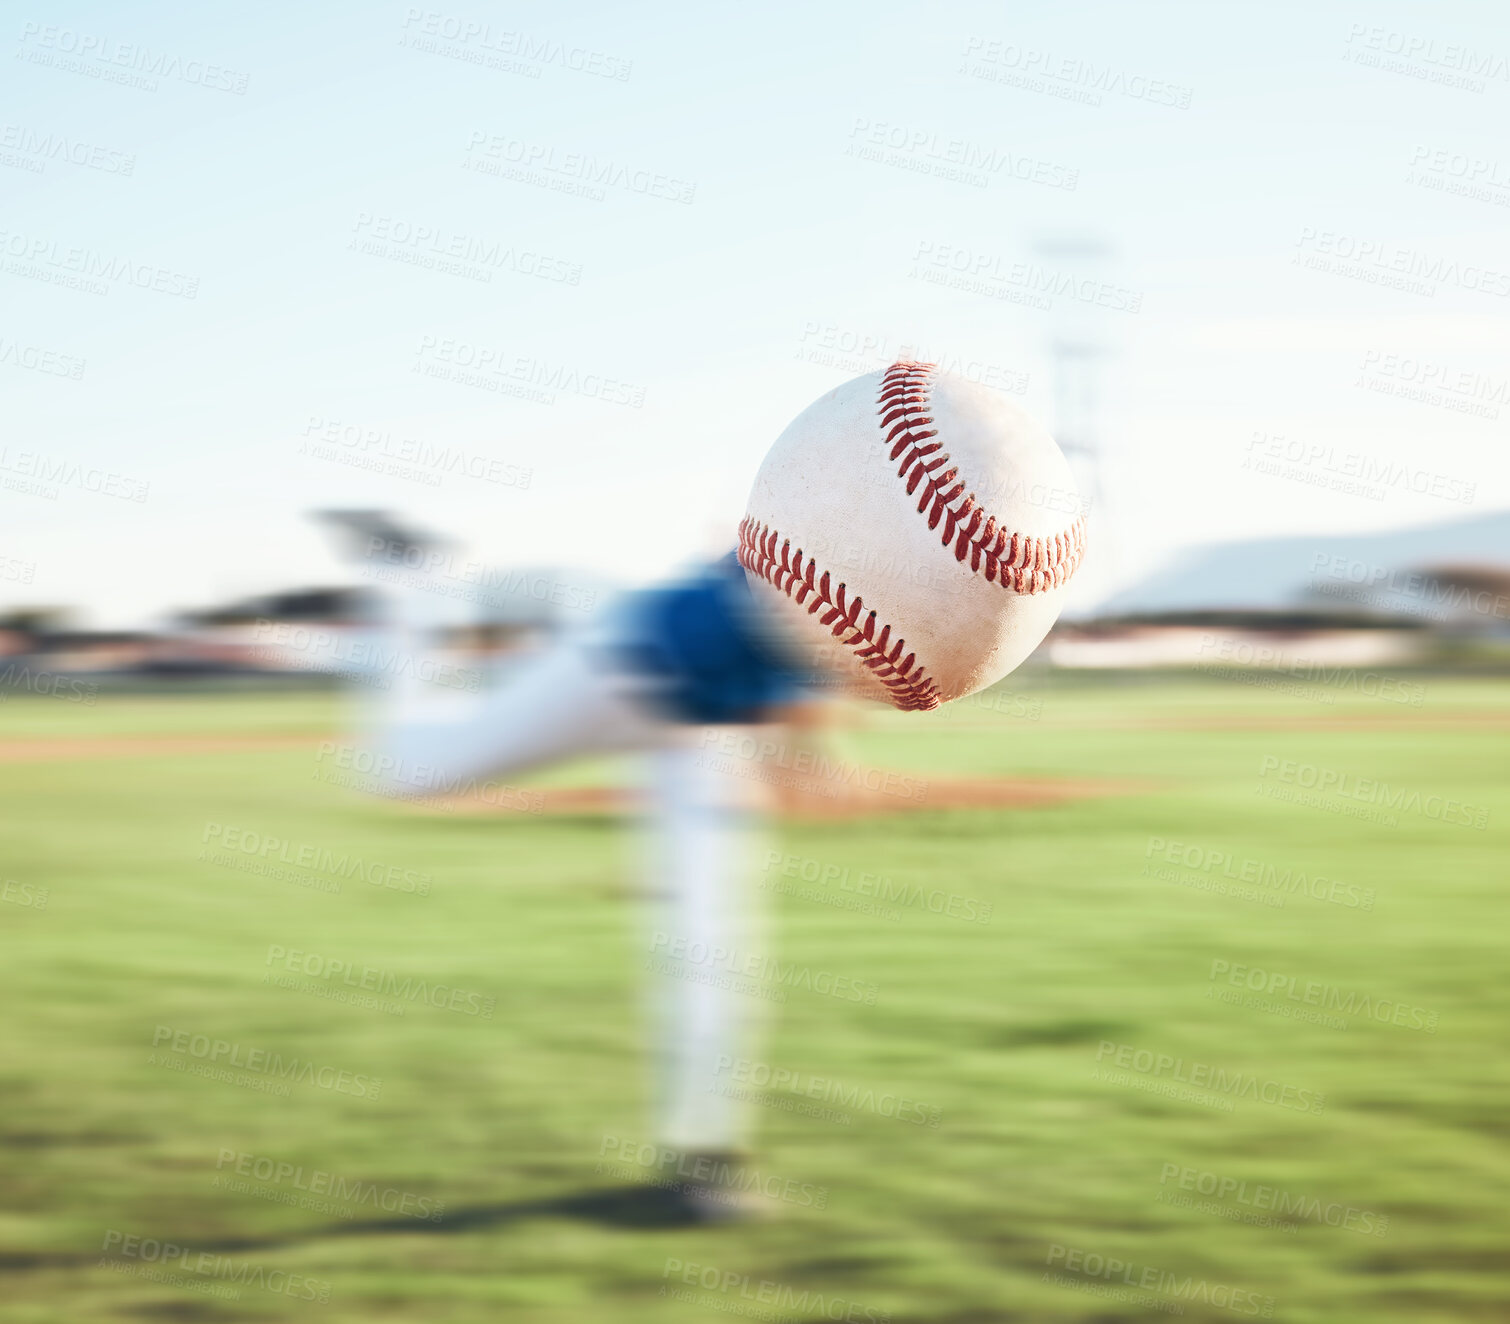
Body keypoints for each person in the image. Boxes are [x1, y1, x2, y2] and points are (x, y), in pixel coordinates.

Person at [319, 511, 815, 1221]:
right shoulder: (840, 510)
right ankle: (412, 576)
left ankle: (705, 1161)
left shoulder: (906, 564)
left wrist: (791, 749)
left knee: (714, 939)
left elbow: (794, 673)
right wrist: (802, 755)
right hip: (625, 661)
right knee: (397, 768)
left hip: (704, 726)